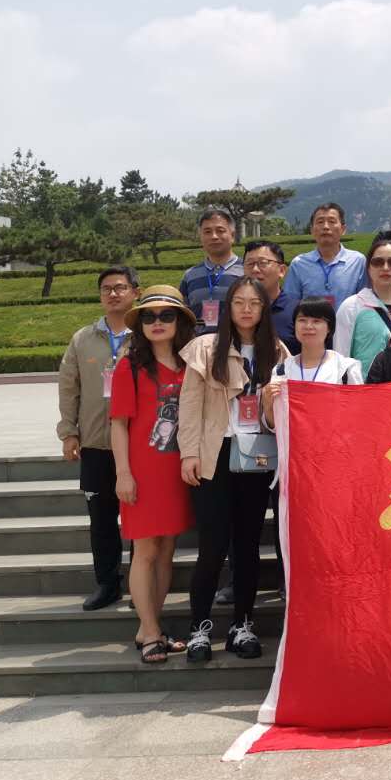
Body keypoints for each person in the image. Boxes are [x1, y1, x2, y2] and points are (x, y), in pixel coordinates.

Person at [178, 277, 290, 664]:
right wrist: (188, 454)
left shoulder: (276, 351)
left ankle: (242, 625)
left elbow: (280, 414)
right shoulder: (205, 348)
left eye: (254, 303)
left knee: (247, 546)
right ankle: (199, 627)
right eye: (239, 302)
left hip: (256, 455)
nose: (246, 309)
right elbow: (189, 405)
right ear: (228, 307)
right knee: (212, 546)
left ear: (263, 309)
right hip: (214, 453)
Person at [107, 285, 197, 664]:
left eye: (166, 315)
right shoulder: (129, 367)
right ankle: (150, 631)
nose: (157, 322)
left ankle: (151, 627)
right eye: (149, 316)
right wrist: (123, 473)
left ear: (180, 322)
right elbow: (118, 424)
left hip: (177, 472)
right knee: (145, 551)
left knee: (166, 551)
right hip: (142, 472)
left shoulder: (191, 364)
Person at [57, 266, 139, 611]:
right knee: (101, 519)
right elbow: (69, 386)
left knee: (140, 520)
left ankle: (141, 585)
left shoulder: (146, 334)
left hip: (138, 444)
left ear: (135, 292)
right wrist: (68, 432)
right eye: (107, 289)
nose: (113, 294)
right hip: (94, 444)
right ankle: (107, 584)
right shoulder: (83, 339)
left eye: (120, 287)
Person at [266, 298, 364, 407]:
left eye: (316, 321)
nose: (308, 326)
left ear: (329, 327)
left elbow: (358, 412)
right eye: (302, 320)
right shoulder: (281, 371)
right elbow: (275, 417)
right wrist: (267, 404)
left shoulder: (346, 369)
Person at [334, 236, 391, 375]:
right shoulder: (351, 306)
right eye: (378, 262)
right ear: (368, 267)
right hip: (365, 386)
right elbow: (340, 357)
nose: (385, 268)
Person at [284, 203, 367, 315]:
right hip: (310, 325)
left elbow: (365, 304)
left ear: (343, 229)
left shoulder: (358, 261)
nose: (325, 227)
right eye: (320, 222)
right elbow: (290, 306)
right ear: (312, 230)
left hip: (348, 326)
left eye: (332, 221)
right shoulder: (298, 264)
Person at [180, 206, 243, 335]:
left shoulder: (247, 271)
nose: (214, 236)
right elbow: (182, 315)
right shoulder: (190, 275)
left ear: (232, 235)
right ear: (201, 237)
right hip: (198, 344)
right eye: (207, 232)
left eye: (220, 231)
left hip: (236, 343)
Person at [242, 240, 296, 354]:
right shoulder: (235, 310)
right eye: (250, 264)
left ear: (282, 270)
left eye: (263, 263)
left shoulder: (297, 311)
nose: (255, 269)